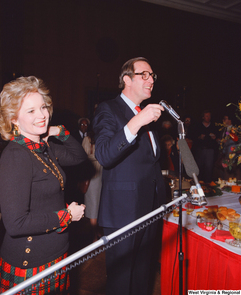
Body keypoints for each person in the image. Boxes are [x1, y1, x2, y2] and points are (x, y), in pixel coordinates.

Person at [0, 76, 87, 293]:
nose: (42, 115)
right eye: (31, 111)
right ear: (14, 119)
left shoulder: (43, 147)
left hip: (55, 255)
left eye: (43, 107)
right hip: (32, 264)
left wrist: (57, 131)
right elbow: (16, 224)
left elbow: (79, 156)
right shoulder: (16, 156)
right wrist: (67, 215)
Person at [93, 57, 166, 295]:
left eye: (152, 75)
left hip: (151, 208)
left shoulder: (147, 114)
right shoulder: (109, 109)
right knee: (121, 282)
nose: (151, 80)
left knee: (142, 277)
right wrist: (136, 122)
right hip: (123, 212)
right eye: (144, 75)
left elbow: (150, 163)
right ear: (127, 79)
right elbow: (103, 154)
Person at [82, 131, 103, 241]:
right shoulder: (86, 139)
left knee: (97, 204)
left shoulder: (102, 137)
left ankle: (96, 233)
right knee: (92, 205)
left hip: (101, 171)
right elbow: (81, 156)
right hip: (90, 171)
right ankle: (94, 235)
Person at [193, 110, 218, 183]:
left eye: (209, 116)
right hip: (200, 150)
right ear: (203, 117)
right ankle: (199, 184)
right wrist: (199, 137)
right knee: (199, 168)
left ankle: (208, 185)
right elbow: (193, 137)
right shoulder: (198, 126)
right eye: (207, 116)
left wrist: (215, 138)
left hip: (210, 150)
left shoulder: (213, 126)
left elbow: (218, 138)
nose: (208, 118)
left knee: (209, 168)